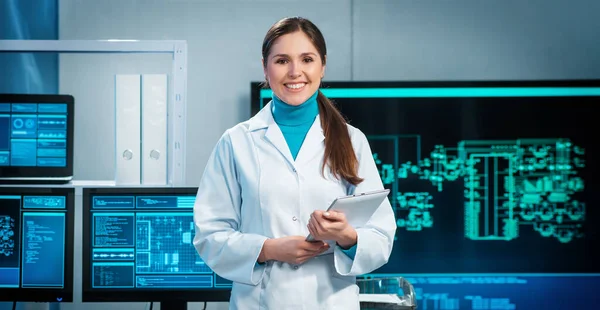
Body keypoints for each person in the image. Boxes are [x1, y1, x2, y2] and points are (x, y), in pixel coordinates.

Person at [193, 16, 397, 310]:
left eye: (307, 59)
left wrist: (347, 237)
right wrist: (268, 249)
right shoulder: (236, 142)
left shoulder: (352, 141)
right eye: (281, 61)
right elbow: (209, 235)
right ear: (265, 67)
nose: (295, 72)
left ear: (322, 65)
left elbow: (381, 236)